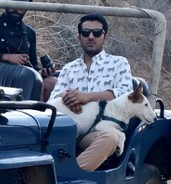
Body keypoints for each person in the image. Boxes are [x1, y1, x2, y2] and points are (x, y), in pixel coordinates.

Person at [49, 13, 134, 171]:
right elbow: (54, 99)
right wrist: (69, 98)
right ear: (79, 38)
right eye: (86, 33)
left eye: (96, 33)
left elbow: (125, 95)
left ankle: (72, 175)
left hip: (100, 128)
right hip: (69, 128)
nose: (91, 37)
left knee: (111, 137)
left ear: (105, 37)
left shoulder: (119, 63)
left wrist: (86, 98)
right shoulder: (69, 68)